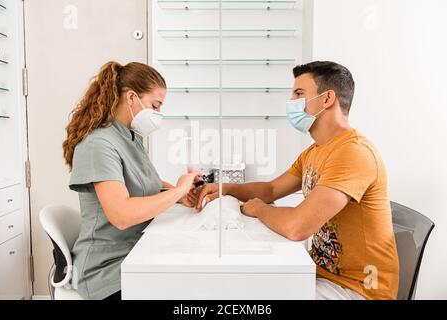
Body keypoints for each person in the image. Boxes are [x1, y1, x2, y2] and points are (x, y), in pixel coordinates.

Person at [190, 61, 399, 300]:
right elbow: (271, 189)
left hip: (359, 290)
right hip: (321, 275)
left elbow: (296, 227)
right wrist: (223, 188)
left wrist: (258, 208)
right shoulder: (315, 151)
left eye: (299, 93)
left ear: (327, 98)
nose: (291, 102)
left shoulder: (353, 153)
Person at [62, 61, 199, 300]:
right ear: (132, 97)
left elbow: (145, 185)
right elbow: (122, 214)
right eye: (155, 105)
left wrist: (181, 193)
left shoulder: (131, 138)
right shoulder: (98, 144)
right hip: (107, 270)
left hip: (135, 253)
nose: (158, 114)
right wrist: (178, 191)